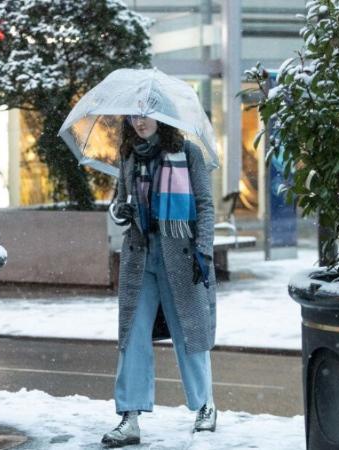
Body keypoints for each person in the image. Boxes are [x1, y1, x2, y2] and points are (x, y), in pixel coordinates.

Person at [102, 114, 217, 448]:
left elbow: (206, 205)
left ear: (162, 118)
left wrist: (204, 251)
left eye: (147, 116)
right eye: (134, 117)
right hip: (140, 254)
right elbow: (119, 200)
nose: (140, 123)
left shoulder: (188, 153)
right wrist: (119, 211)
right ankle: (130, 417)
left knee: (188, 330)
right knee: (132, 334)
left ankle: (205, 404)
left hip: (180, 253)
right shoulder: (127, 154)